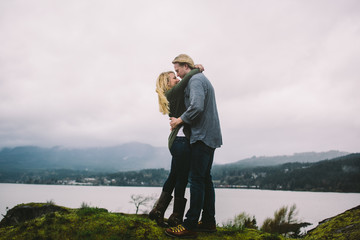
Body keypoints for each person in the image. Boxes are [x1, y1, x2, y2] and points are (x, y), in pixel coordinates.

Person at [165, 54, 222, 238]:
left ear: (186, 66)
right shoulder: (199, 78)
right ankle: (208, 221)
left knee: (197, 179)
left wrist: (179, 120)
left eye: (178, 70)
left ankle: (189, 226)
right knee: (205, 179)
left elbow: (196, 107)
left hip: (201, 136)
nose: (178, 74)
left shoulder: (195, 81)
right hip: (209, 135)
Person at [149, 63, 204, 227]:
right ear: (167, 83)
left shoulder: (171, 94)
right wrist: (197, 70)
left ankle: (158, 211)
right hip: (181, 142)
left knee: (174, 176)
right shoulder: (173, 92)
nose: (177, 78)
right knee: (181, 179)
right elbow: (187, 79)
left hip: (178, 142)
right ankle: (176, 216)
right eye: (174, 78)